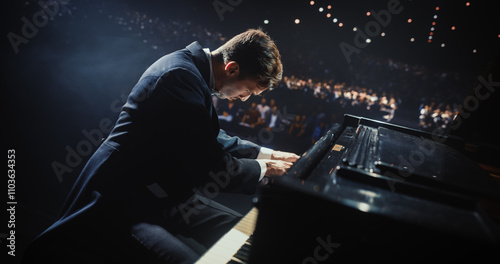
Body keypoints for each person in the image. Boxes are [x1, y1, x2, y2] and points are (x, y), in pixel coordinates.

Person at [23, 29, 299, 264]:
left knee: (246, 234)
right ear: (232, 68)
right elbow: (209, 166)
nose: (243, 99)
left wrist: (267, 153)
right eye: (248, 91)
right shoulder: (179, 77)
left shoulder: (191, 73)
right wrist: (265, 170)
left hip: (159, 195)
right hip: (122, 203)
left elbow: (208, 136)